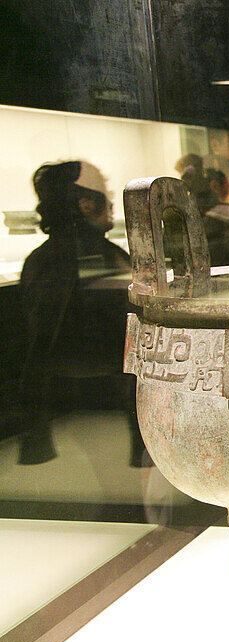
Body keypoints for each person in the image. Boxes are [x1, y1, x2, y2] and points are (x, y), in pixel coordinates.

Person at [18, 160, 141, 465]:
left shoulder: (41, 259)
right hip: (109, 397)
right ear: (85, 203)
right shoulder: (105, 257)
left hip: (63, 400)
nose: (110, 202)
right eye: (104, 194)